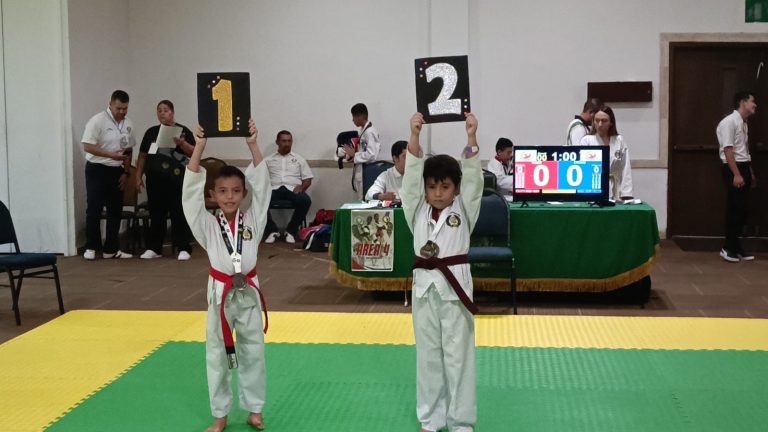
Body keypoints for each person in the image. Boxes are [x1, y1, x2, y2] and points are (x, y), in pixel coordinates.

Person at [182, 119, 269, 432]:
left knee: (253, 350)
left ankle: (254, 409)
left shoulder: (254, 220)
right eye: (223, 191)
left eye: (235, 191)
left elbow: (264, 189)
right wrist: (199, 149)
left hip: (248, 291)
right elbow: (189, 200)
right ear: (213, 194)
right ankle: (220, 415)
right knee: (217, 355)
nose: (230, 197)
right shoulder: (207, 225)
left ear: (244, 193)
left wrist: (253, 144)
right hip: (220, 292)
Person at [402, 111, 483, 432]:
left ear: (456, 189)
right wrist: (415, 136)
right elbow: (409, 182)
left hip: (455, 291)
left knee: (459, 358)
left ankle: (461, 422)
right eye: (432, 186)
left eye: (445, 186)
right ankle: (431, 419)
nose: (438, 192)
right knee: (428, 358)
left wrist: (472, 137)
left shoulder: (465, 209)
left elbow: (474, 179)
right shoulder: (417, 210)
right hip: (424, 289)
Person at [135, 100, 195, 260]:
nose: (162, 113)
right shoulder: (151, 132)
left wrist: (182, 144)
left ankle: (183, 247)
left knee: (178, 212)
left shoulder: (182, 131)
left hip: (176, 179)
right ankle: (154, 248)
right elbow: (142, 156)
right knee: (156, 213)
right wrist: (138, 176)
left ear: (172, 112)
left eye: (166, 110)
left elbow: (194, 153)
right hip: (155, 179)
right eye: (159, 110)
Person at [81, 90, 136, 260]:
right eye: (118, 108)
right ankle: (91, 247)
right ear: (111, 104)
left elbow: (129, 149)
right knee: (94, 209)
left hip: (117, 170)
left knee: (115, 210)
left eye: (125, 108)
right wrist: (110, 155)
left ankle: (111, 249)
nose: (121, 112)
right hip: (97, 168)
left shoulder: (128, 123)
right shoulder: (97, 121)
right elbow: (88, 146)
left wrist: (126, 172)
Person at [716, 91, 758, 263]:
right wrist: (737, 174)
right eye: (752, 101)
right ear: (742, 102)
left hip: (743, 167)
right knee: (735, 208)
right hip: (734, 168)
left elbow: (744, 150)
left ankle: (736, 245)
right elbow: (728, 150)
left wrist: (750, 172)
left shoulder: (744, 123)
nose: (755, 105)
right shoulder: (729, 122)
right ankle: (728, 247)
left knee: (743, 209)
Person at [263, 130, 314, 244]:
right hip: (273, 189)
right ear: (277, 142)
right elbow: (260, 177)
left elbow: (308, 178)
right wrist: (262, 189)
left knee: (305, 201)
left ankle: (291, 231)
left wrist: (302, 187)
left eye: (289, 141)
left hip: (292, 189)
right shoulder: (268, 160)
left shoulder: (299, 159)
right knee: (258, 201)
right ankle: (272, 231)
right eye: (284, 141)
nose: (287, 143)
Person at [580, 106, 633, 201]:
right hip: (593, 189)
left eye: (604, 121)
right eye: (597, 120)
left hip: (616, 191)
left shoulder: (619, 140)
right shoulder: (587, 141)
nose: (600, 124)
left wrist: (626, 193)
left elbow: (625, 167)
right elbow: (583, 169)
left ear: (611, 123)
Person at [343, 103, 381, 195]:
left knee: (364, 199)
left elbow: (372, 154)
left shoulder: (369, 132)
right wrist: (352, 156)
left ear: (360, 117)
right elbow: (364, 151)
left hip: (367, 172)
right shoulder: (363, 131)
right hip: (362, 170)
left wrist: (354, 155)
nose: (352, 120)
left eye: (353, 117)